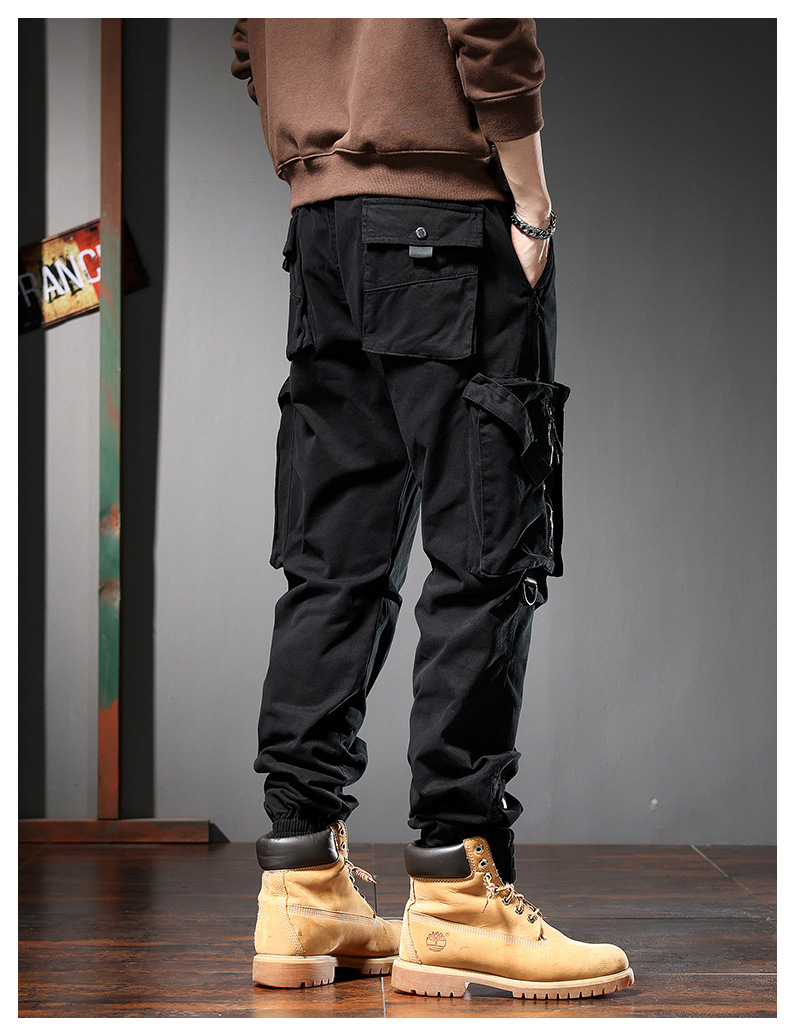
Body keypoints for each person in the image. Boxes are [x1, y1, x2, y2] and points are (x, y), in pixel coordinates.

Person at [230, 17, 633, 1001]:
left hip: (320, 230)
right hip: (447, 222)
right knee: (486, 551)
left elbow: (249, 40)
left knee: (332, 561)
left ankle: (299, 882)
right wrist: (530, 198)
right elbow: (484, 22)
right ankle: (457, 895)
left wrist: (327, 151)